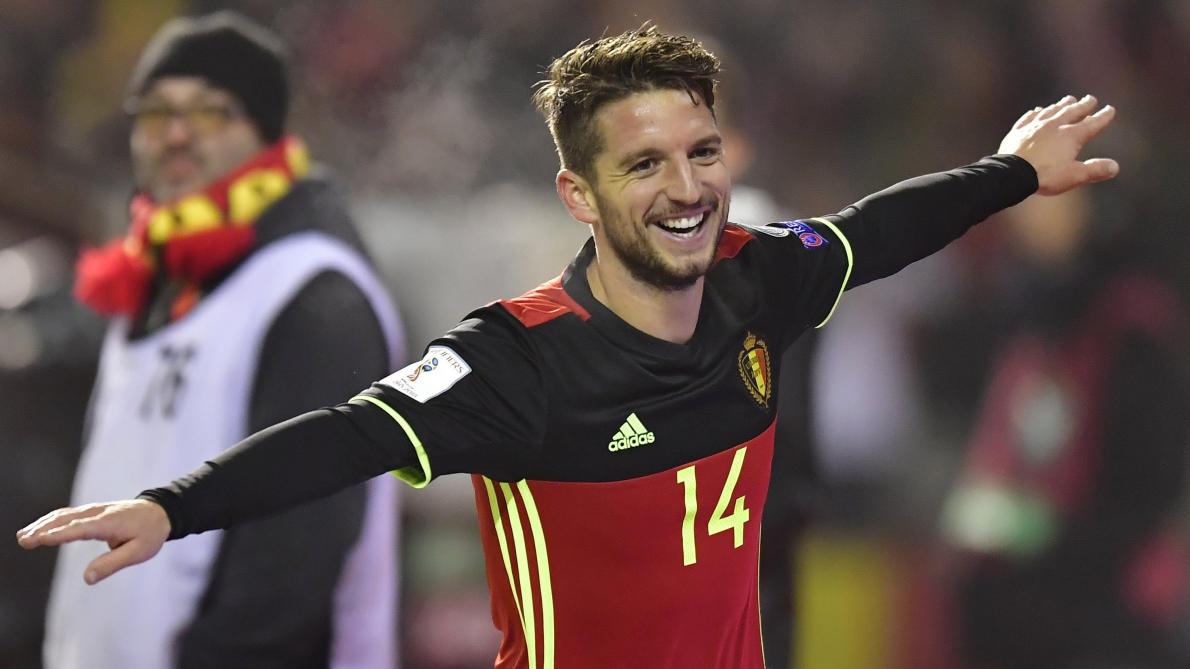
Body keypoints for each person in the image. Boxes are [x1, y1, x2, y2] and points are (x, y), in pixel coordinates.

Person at [19, 25, 1117, 668]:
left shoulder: (758, 278)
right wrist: (172, 506)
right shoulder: (517, 361)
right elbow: (347, 437)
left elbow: (877, 230)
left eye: (699, 152)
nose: (686, 188)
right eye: (643, 165)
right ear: (577, 194)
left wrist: (1013, 171)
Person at [39, 11, 404, 669]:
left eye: (212, 111)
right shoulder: (156, 276)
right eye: (157, 111)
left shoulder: (312, 294)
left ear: (265, 133)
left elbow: (291, 565)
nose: (177, 133)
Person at [938, 189, 1190, 668]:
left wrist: (1053, 535)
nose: (1027, 215)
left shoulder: (1132, 322)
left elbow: (1148, 479)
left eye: (1048, 196)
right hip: (1014, 604)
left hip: (1105, 609)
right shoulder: (1024, 311)